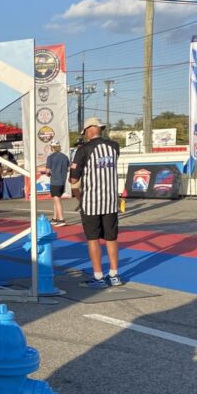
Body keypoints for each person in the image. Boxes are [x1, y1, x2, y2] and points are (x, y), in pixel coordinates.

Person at [69, 117, 122, 288]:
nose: (84, 135)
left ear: (90, 129)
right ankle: (114, 275)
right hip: (111, 200)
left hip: (91, 201)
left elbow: (74, 178)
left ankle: (98, 277)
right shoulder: (114, 146)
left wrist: (79, 195)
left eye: (84, 132)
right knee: (111, 238)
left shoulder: (84, 149)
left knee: (93, 239)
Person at [44, 140, 70, 226]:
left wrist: (48, 173)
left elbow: (47, 171)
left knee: (57, 200)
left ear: (52, 147)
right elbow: (68, 168)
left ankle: (61, 219)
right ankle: (55, 218)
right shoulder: (65, 157)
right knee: (56, 199)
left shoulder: (50, 157)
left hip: (55, 181)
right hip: (62, 181)